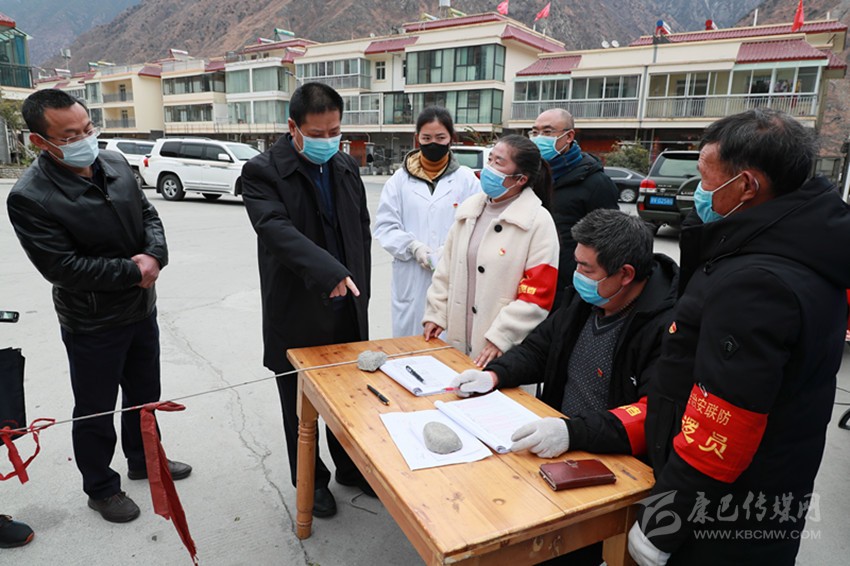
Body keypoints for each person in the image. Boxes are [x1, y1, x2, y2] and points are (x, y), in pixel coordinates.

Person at [628, 109, 850, 566]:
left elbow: (723, 423)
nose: (699, 190)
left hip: (721, 517)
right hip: (764, 492)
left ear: (747, 185)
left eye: (705, 178)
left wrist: (662, 523)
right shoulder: (803, 244)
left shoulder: (757, 282)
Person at [450, 209, 678, 566]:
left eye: (587, 269)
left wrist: (571, 433)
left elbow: (650, 416)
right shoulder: (585, 300)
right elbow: (541, 348)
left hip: (609, 466)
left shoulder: (666, 326)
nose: (577, 275)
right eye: (577, 263)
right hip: (555, 444)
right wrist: (495, 375)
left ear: (625, 274)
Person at [6, 89, 190, 524]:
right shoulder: (31, 196)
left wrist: (155, 256)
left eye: (88, 128)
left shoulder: (114, 163)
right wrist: (133, 271)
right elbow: (63, 268)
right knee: (96, 409)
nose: (84, 139)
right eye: (70, 136)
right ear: (40, 141)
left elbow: (148, 216)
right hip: (92, 321)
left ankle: (144, 460)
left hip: (141, 309)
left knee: (145, 397)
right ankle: (101, 488)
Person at [242, 82, 372, 519]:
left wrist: (358, 285)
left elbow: (360, 232)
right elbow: (275, 230)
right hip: (296, 305)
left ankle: (350, 467)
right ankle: (311, 480)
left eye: (335, 132)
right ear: (293, 127)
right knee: (300, 404)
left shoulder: (345, 166)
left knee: (348, 396)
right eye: (317, 134)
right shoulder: (263, 172)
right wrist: (328, 271)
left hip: (347, 301)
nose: (327, 141)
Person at [423, 135, 559, 367]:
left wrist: (502, 337)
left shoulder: (537, 221)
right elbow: (446, 271)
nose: (490, 168)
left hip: (501, 350)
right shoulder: (469, 211)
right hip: (457, 341)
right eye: (491, 159)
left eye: (499, 162)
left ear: (520, 179)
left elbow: (537, 295)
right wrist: (436, 314)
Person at [373, 106, 480, 337]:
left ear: (451, 138)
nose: (433, 143)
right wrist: (413, 247)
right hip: (410, 275)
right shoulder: (399, 181)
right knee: (409, 344)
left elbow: (476, 226)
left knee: (449, 344)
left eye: (440, 138)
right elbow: (386, 226)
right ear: (417, 139)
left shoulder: (467, 180)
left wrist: (448, 250)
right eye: (427, 138)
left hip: (453, 272)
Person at [530, 109, 619, 308]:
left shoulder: (595, 183)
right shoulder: (531, 177)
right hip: (532, 279)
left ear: (569, 136)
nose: (538, 138)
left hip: (568, 291)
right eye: (535, 132)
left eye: (547, 132)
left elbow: (609, 243)